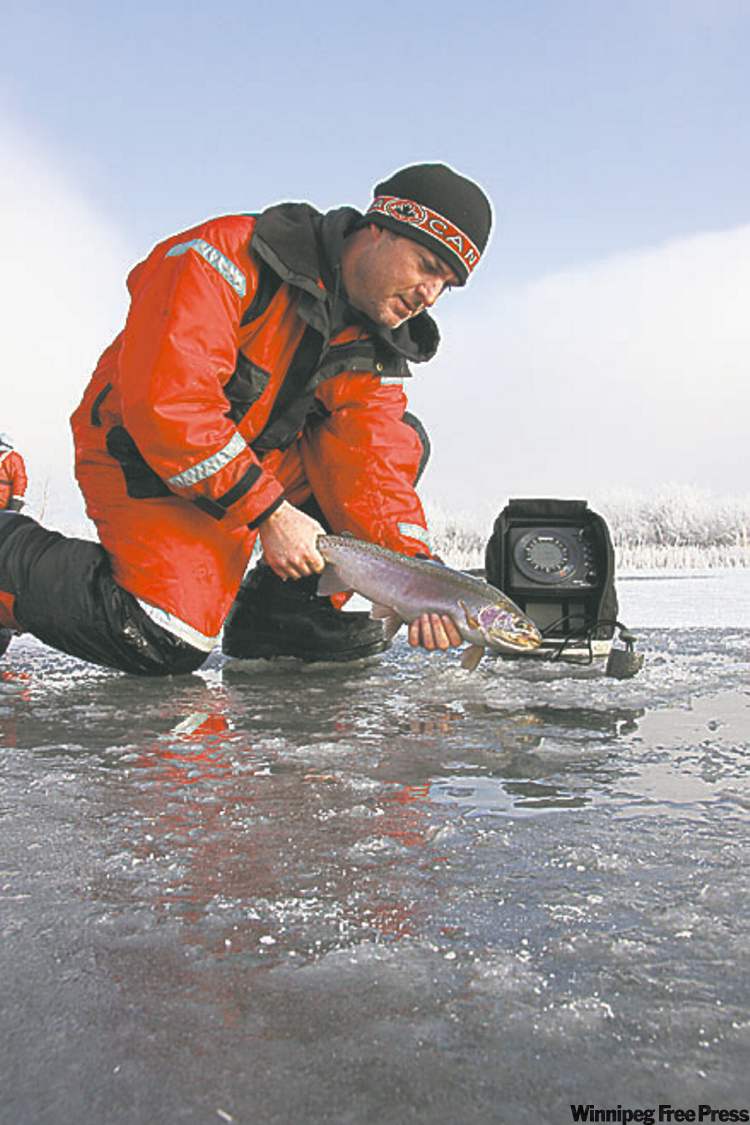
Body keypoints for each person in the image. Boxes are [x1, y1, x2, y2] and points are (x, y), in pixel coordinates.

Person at [0, 163, 492, 675]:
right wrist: (271, 513)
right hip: (146, 457)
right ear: (380, 228)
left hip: (242, 466)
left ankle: (282, 618)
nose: (429, 295)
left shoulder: (376, 344)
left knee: (404, 438)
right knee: (162, 637)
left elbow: (372, 464)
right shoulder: (222, 256)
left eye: (447, 285)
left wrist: (418, 574)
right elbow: (171, 408)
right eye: (427, 264)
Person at [0, 434, 27, 513]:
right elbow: (20, 480)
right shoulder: (14, 458)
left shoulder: (12, 458)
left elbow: (19, 480)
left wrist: (16, 500)